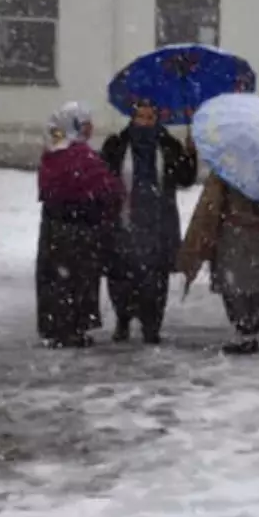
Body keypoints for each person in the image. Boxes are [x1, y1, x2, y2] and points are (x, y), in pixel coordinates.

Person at [101, 100, 197, 345]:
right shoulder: (117, 144)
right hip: (124, 221)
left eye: (150, 117)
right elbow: (103, 178)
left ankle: (151, 325)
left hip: (158, 224)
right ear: (132, 118)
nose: (145, 121)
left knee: (154, 278)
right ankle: (123, 319)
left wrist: (191, 153)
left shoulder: (168, 146)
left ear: (157, 119)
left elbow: (185, 179)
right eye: (140, 116)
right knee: (122, 276)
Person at [36, 102, 122, 349]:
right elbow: (107, 189)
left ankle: (55, 327)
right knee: (78, 281)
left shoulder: (52, 152)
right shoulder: (80, 156)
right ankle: (73, 328)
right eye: (86, 124)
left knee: (55, 281)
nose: (91, 128)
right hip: (79, 230)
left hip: (54, 228)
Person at [178, 172, 259, 355]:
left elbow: (211, 206)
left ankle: (245, 331)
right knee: (256, 284)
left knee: (234, 286)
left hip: (234, 233)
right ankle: (251, 330)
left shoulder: (227, 169)